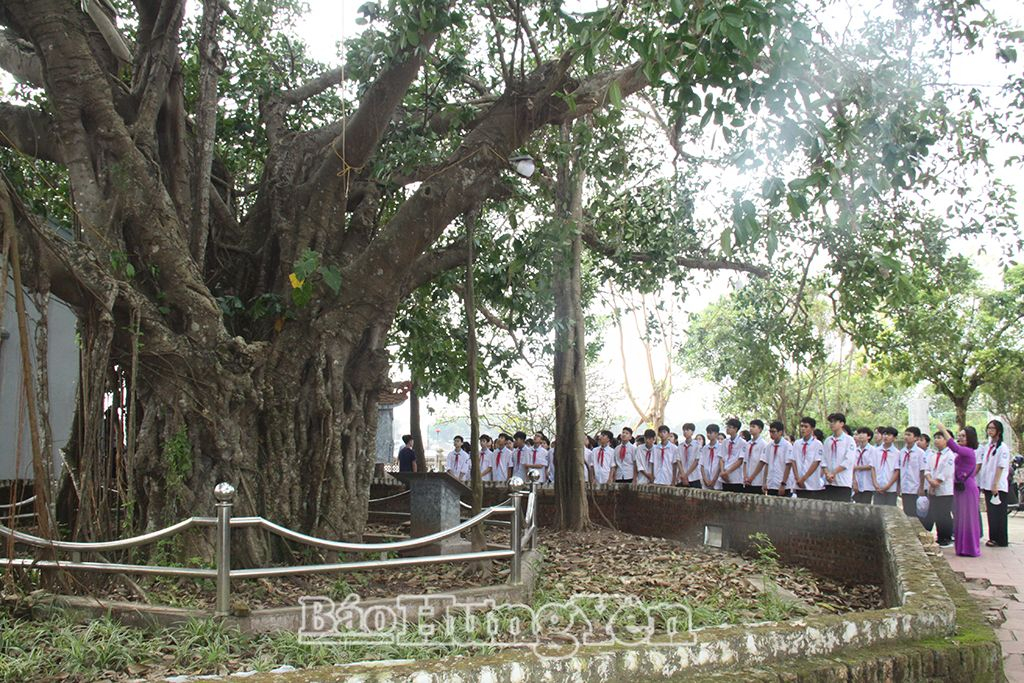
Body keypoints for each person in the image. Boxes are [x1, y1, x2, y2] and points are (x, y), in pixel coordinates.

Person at [938, 422, 981, 557]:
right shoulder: (963, 452)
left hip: (967, 487)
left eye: (964, 436)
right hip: (959, 487)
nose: (960, 438)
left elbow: (954, 447)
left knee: (968, 517)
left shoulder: (968, 451)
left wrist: (943, 430)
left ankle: (970, 548)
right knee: (960, 517)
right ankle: (962, 547)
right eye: (960, 435)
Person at [979, 419, 1011, 547]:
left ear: (998, 431)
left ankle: (1001, 539)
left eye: (992, 428)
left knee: (999, 513)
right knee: (991, 513)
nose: (990, 430)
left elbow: (1001, 466)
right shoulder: (988, 446)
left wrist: (995, 484)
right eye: (989, 428)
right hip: (987, 484)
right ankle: (993, 537)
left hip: (997, 486)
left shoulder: (1002, 448)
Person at [924, 430, 955, 547]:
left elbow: (946, 473)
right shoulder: (932, 455)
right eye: (935, 437)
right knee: (936, 513)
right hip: (933, 488)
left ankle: (946, 537)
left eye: (939, 437)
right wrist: (930, 481)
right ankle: (939, 536)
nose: (936, 440)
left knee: (944, 514)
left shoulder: (950, 455)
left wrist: (935, 482)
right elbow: (927, 469)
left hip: (945, 489)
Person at [822, 413, 854, 502]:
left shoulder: (849, 440)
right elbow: (823, 459)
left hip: (843, 482)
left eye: (834, 422)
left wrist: (833, 473)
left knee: (842, 510)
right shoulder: (828, 440)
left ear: (841, 424)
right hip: (829, 482)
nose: (832, 424)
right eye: (830, 422)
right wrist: (827, 473)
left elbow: (848, 460)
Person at [793, 417, 824, 499]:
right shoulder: (797, 443)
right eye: (801, 426)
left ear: (812, 428)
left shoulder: (818, 444)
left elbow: (816, 463)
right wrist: (798, 478)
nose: (803, 429)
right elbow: (793, 461)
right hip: (799, 483)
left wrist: (803, 479)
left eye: (806, 427)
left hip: (812, 483)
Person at [764, 420, 793, 496]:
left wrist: (783, 484)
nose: (771, 434)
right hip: (771, 483)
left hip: (783, 485)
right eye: (770, 431)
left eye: (773, 432)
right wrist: (765, 482)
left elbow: (788, 465)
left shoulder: (787, 446)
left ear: (780, 432)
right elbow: (767, 464)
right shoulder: (769, 446)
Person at [872, 427, 900, 506]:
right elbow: (873, 468)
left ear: (894, 438)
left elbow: (897, 471)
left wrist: (887, 486)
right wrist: (875, 484)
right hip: (877, 487)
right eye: (884, 434)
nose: (886, 436)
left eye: (889, 435)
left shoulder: (897, 453)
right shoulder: (875, 451)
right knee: (877, 511)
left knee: (890, 512)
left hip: (890, 489)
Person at [720, 418, 747, 493]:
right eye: (727, 426)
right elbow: (722, 458)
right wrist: (722, 472)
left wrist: (727, 472)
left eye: (729, 427)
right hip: (724, 476)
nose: (727, 428)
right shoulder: (725, 442)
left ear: (735, 429)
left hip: (736, 477)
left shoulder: (742, 443)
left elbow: (740, 460)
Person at [743, 419, 768, 494]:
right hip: (746, 480)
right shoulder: (748, 444)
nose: (751, 428)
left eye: (753, 427)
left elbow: (762, 462)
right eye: (750, 426)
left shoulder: (763, 444)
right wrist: (745, 476)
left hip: (757, 480)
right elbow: (745, 461)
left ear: (760, 429)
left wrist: (751, 477)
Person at [851, 427, 876, 504]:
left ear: (868, 436)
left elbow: (871, 465)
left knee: (866, 504)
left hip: (867, 483)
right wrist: (854, 481)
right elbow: (851, 466)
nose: (860, 435)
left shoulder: (873, 450)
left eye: (863, 433)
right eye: (859, 433)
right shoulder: (854, 450)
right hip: (857, 482)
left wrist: (856, 467)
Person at [679, 423, 702, 488]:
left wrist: (686, 475)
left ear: (692, 432)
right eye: (684, 430)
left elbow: (696, 461)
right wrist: (683, 475)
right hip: (682, 478)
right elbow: (678, 461)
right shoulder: (680, 446)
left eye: (687, 430)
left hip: (694, 477)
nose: (685, 432)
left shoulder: (697, 445)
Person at [701, 424, 723, 490]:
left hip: (717, 481)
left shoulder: (721, 447)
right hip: (706, 481)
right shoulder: (704, 448)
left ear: (716, 434)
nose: (708, 435)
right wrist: (705, 479)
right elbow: (701, 465)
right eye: (707, 433)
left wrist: (714, 480)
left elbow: (720, 465)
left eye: (710, 433)